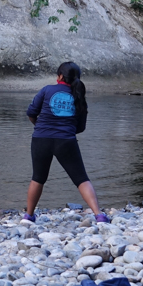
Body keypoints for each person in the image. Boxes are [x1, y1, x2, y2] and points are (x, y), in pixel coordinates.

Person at [23, 61, 109, 224]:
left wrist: (41, 127)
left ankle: (29, 215)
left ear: (60, 76)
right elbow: (80, 127)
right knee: (81, 179)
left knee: (38, 178)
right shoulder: (79, 96)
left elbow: (31, 113)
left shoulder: (47, 90)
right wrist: (65, 131)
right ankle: (99, 215)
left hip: (41, 139)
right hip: (66, 141)